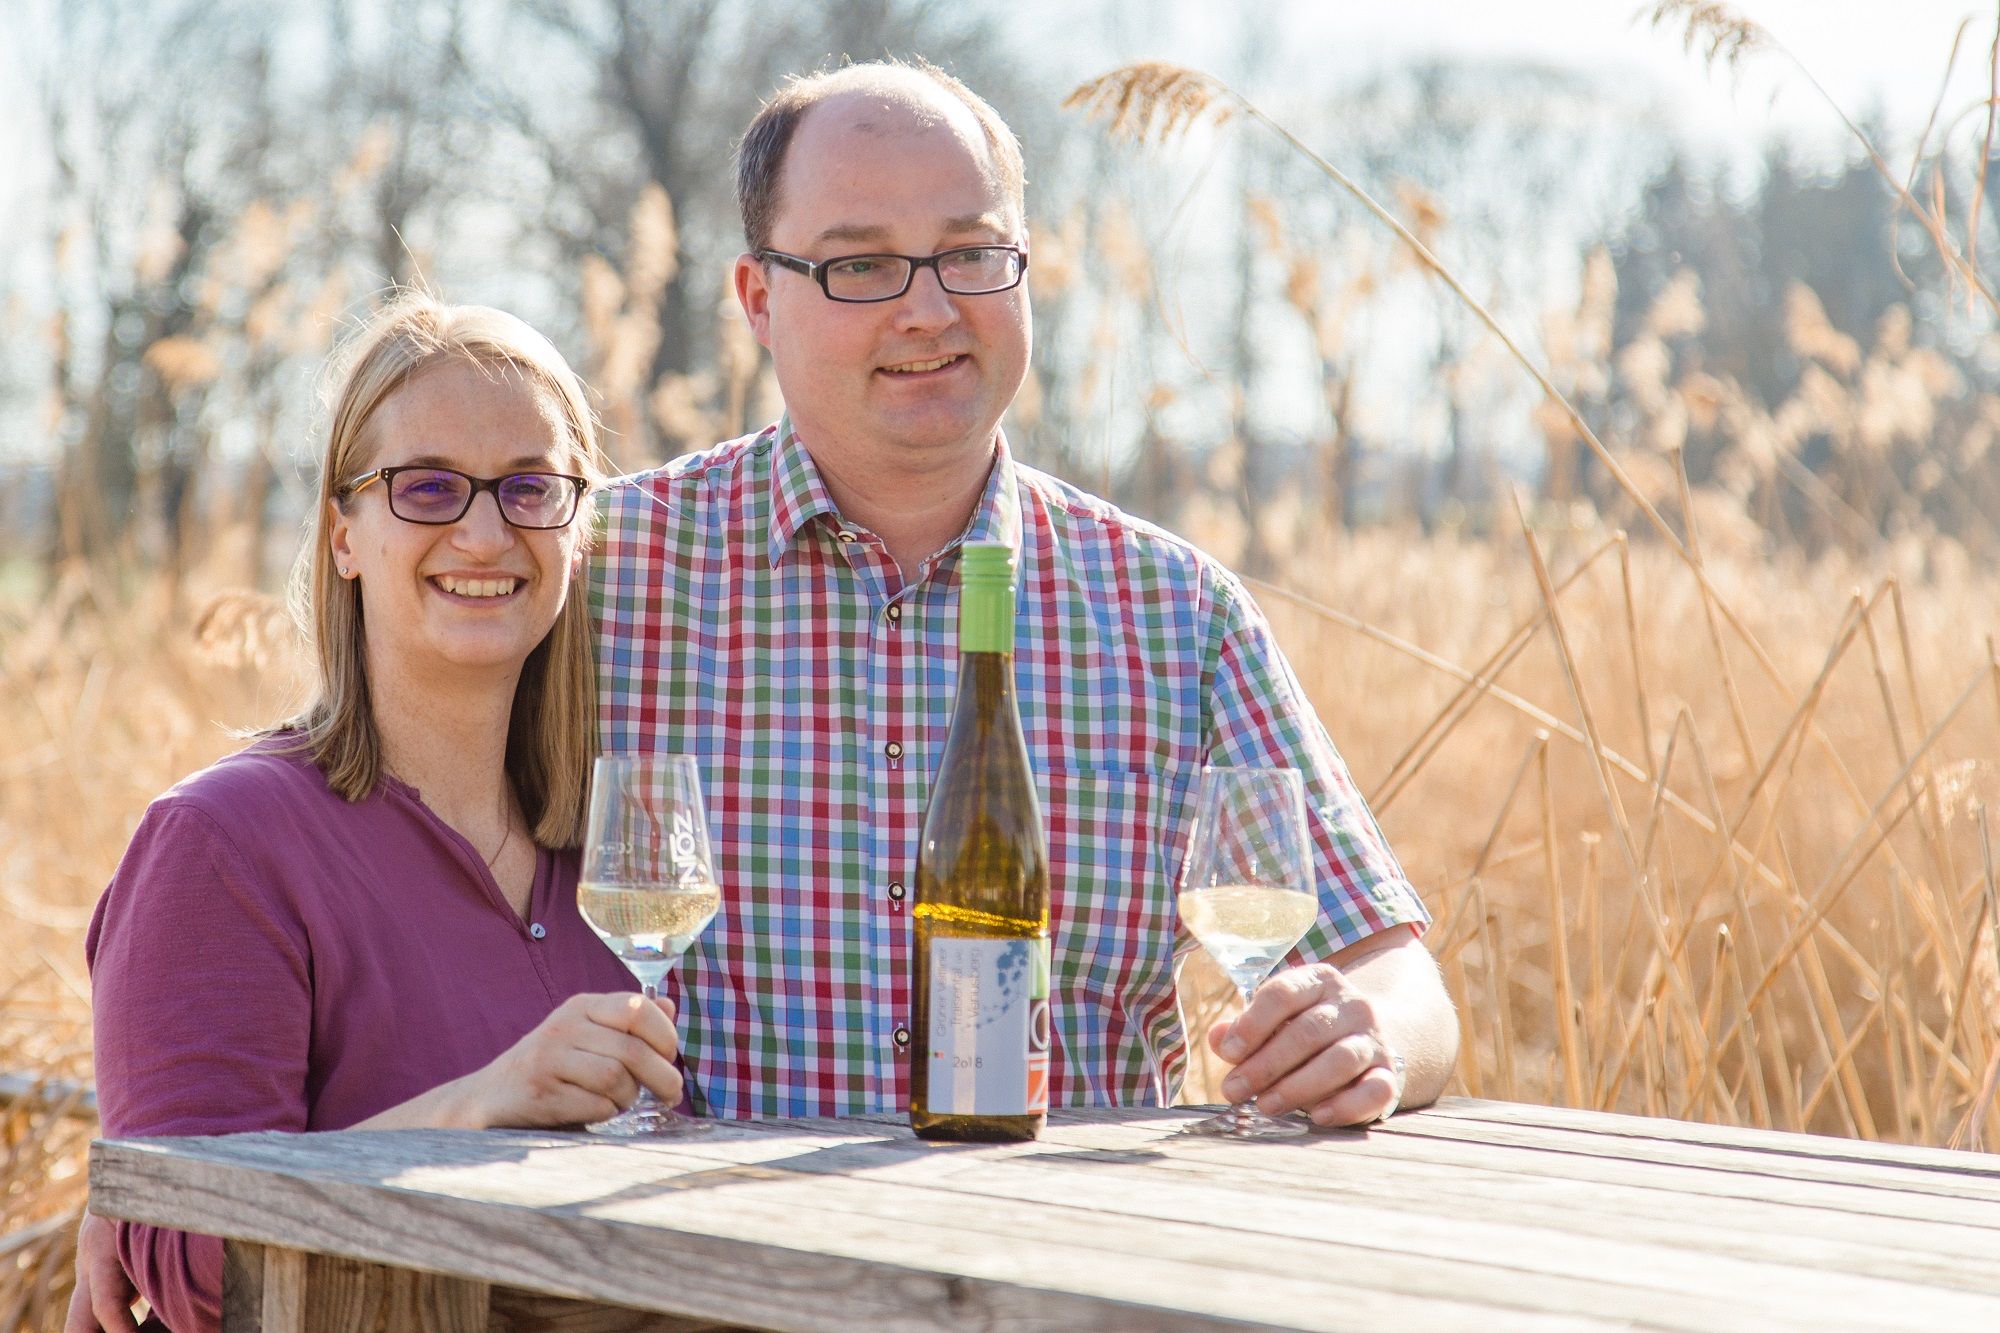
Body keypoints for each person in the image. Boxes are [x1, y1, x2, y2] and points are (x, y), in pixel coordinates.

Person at [593, 61, 1459, 1124]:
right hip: (684, 1268)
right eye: (859, 265)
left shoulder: (1170, 611)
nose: (926, 307)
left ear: (1024, 271)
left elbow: (1395, 976)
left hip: (1054, 1264)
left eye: (969, 255)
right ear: (758, 299)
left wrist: (1360, 1039)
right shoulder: (603, 573)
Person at [68, 297, 684, 1333]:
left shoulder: (613, 863)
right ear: (342, 533)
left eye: (531, 487)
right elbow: (187, 1262)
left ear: (577, 534)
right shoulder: (224, 842)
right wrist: (474, 1106)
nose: (484, 531)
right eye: (428, 486)